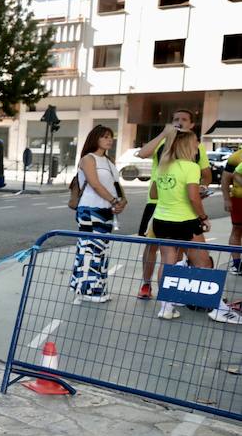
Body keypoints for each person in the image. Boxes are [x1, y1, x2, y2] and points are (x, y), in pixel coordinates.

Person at [135, 109, 210, 300]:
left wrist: (201, 187)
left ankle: (175, 296)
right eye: (175, 119)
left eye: (184, 119)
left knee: (175, 255)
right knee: (153, 247)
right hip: (158, 205)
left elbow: (206, 174)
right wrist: (164, 133)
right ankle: (147, 284)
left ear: (192, 125)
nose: (179, 122)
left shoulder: (195, 145)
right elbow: (142, 154)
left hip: (179, 209)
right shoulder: (163, 141)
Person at [150, 129, 212, 321]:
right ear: (187, 145)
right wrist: (203, 217)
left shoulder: (163, 166)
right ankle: (210, 302)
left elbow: (154, 194)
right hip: (185, 220)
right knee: (202, 260)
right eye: (195, 142)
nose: (197, 146)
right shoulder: (191, 167)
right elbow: (193, 198)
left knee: (167, 261)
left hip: (161, 220)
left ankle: (166, 307)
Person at [70, 126, 126, 303]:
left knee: (101, 250)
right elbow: (94, 184)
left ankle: (96, 288)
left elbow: (116, 185)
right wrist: (113, 200)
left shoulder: (109, 161)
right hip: (89, 209)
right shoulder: (88, 159)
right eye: (104, 137)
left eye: (111, 137)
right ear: (95, 139)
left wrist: (122, 200)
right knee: (89, 249)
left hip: (106, 209)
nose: (109, 140)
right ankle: (86, 290)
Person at [222, 147, 242, 276]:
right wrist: (226, 199)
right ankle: (237, 264)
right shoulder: (235, 157)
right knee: (237, 230)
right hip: (238, 199)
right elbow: (225, 179)